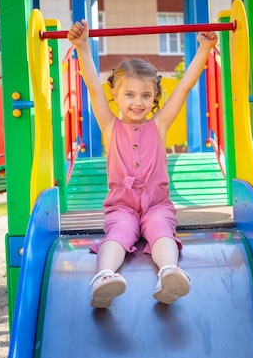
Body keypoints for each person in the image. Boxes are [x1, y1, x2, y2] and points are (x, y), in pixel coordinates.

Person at [67, 19, 218, 308]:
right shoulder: (110, 126)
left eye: (146, 95)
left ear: (154, 99)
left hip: (156, 205)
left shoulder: (159, 125)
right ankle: (104, 276)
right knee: (118, 234)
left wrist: (204, 49)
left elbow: (184, 88)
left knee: (162, 231)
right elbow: (93, 88)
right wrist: (82, 47)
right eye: (130, 95)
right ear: (116, 95)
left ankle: (169, 273)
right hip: (121, 206)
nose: (138, 102)